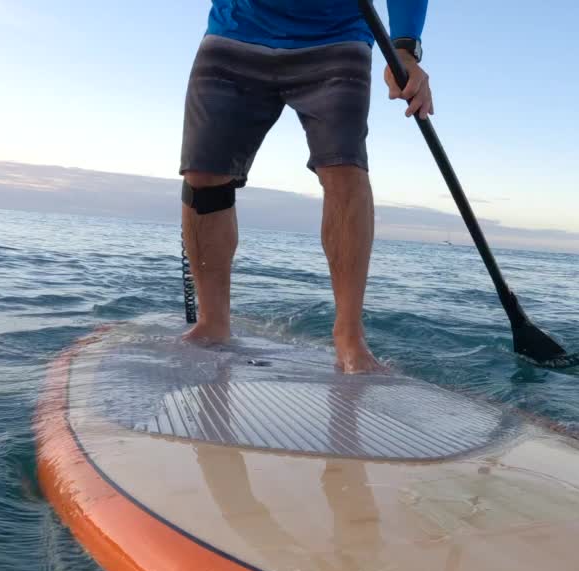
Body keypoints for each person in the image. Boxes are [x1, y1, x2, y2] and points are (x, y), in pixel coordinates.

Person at [179, 0, 432, 373]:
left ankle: (349, 337)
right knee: (203, 174)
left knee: (344, 168)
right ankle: (212, 323)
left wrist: (404, 50)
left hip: (337, 39)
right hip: (236, 29)